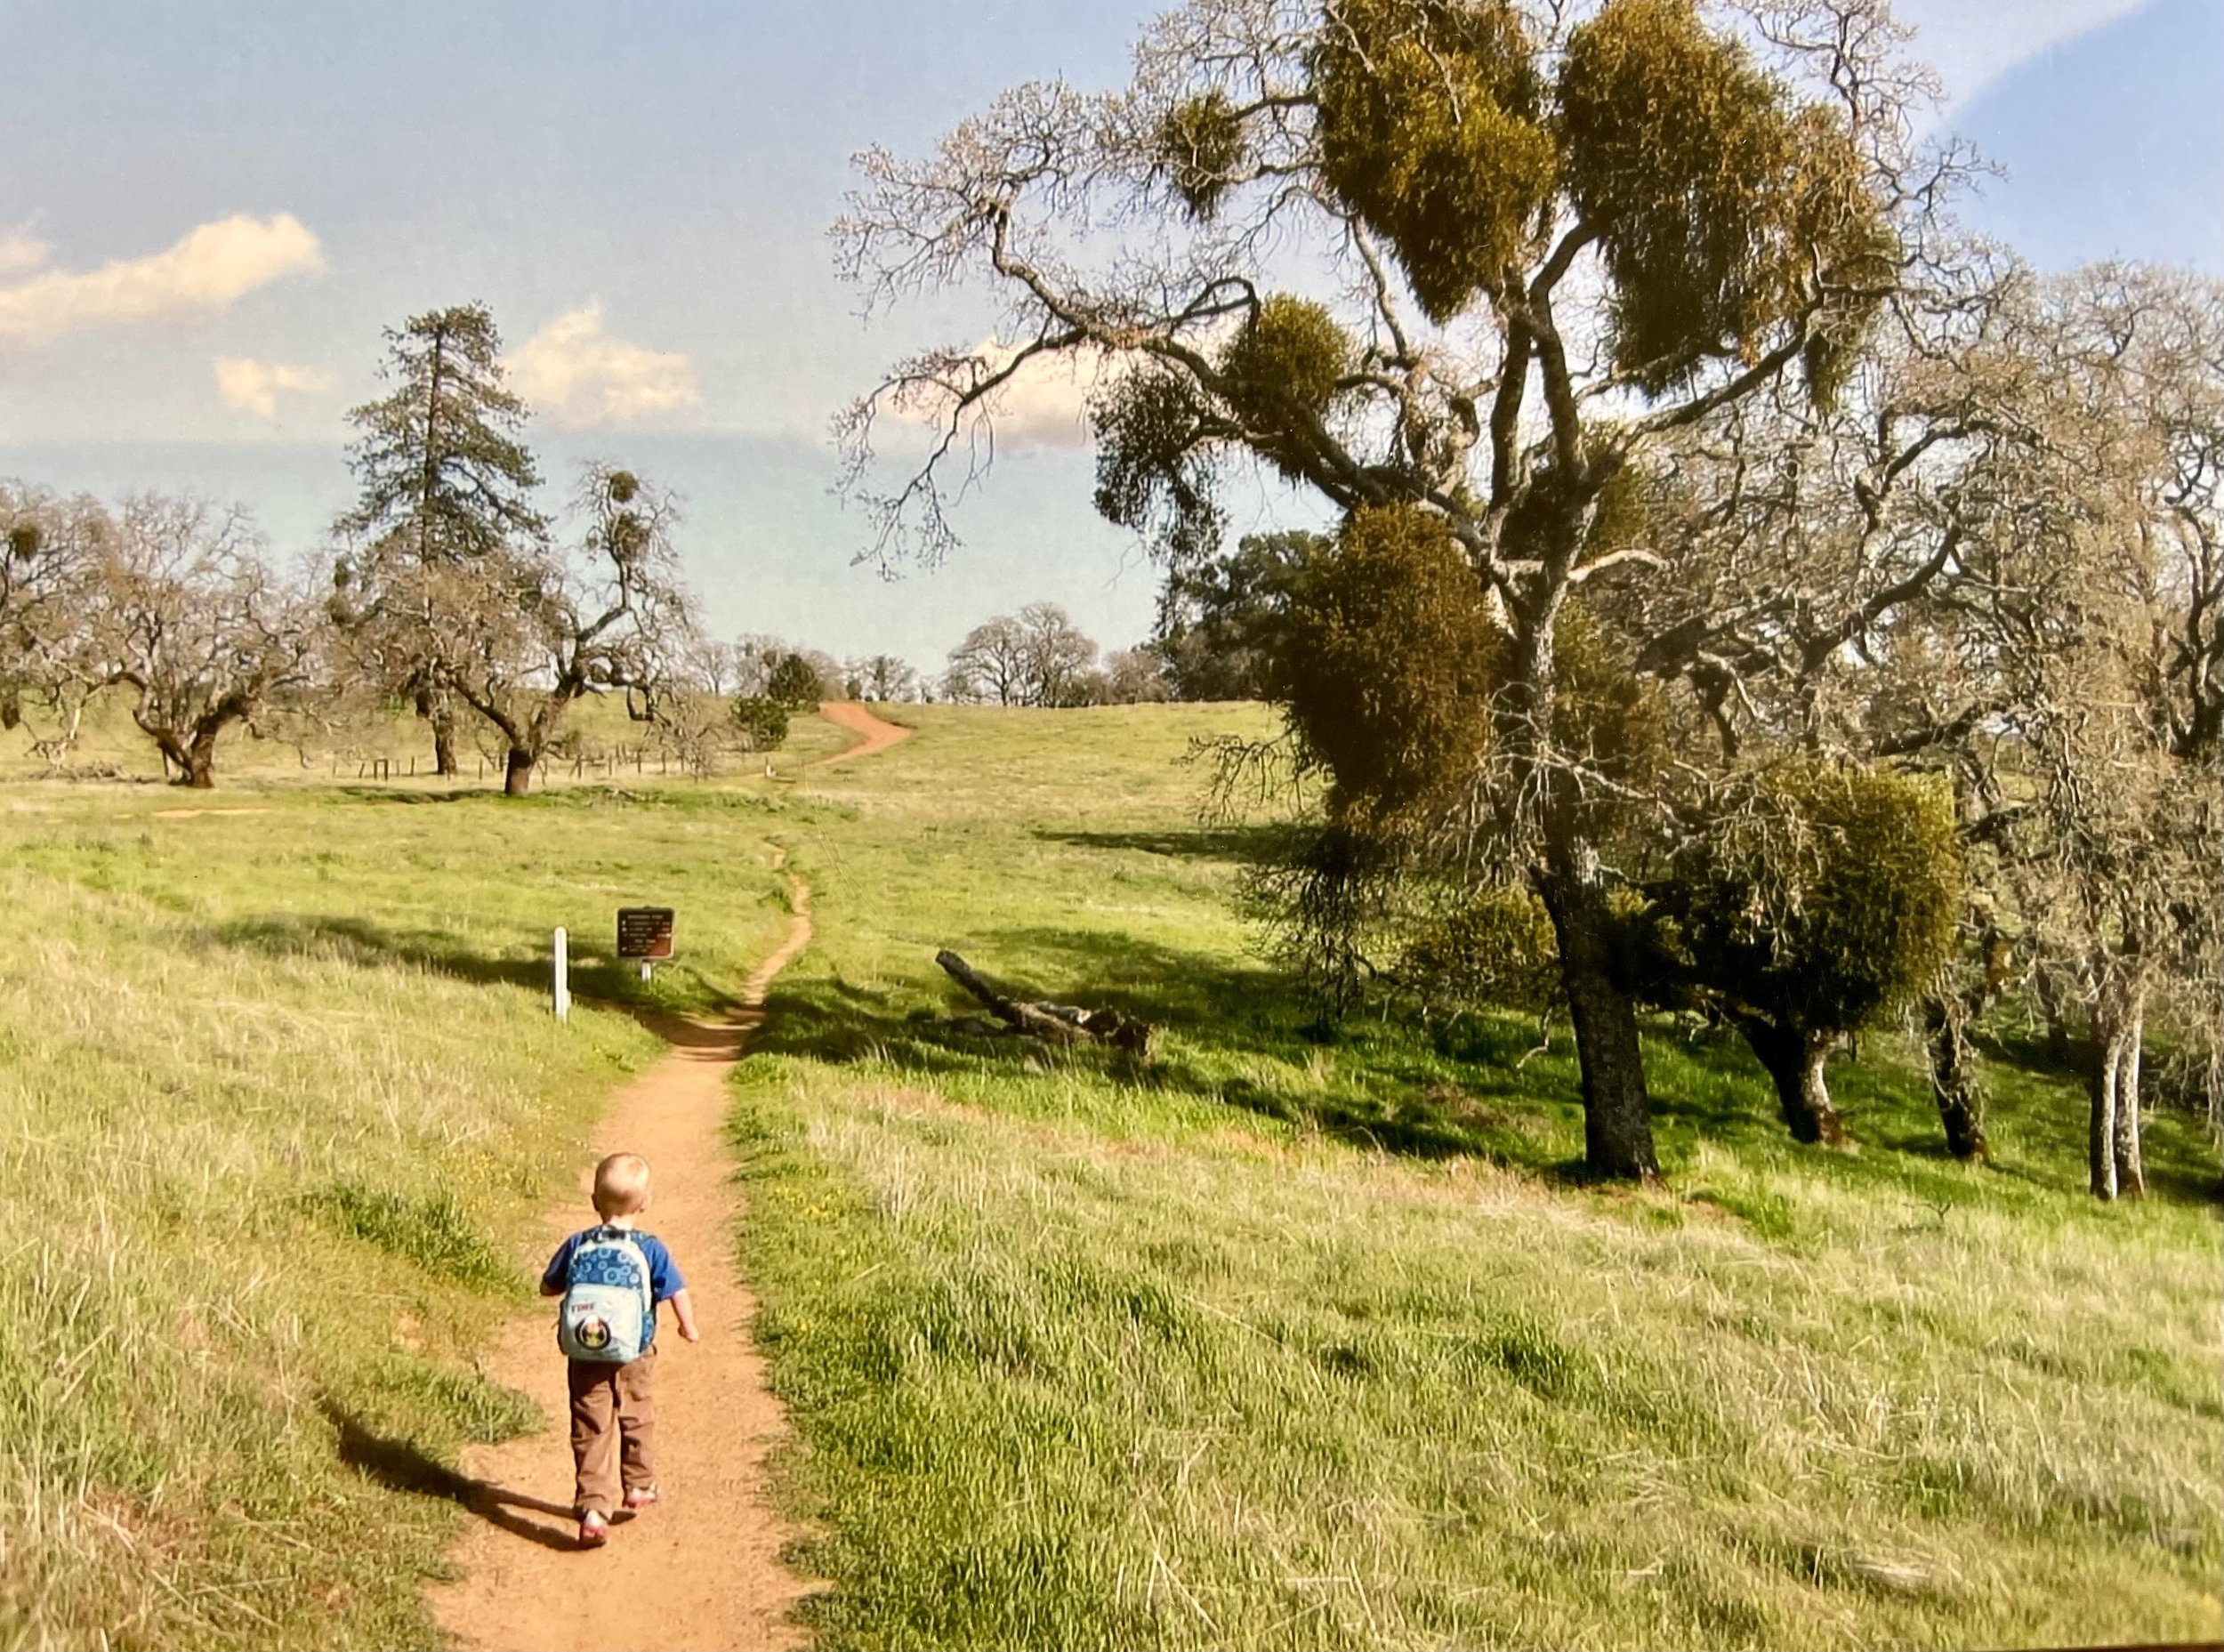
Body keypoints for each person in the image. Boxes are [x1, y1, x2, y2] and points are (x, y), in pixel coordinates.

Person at [540, 1151, 699, 1548]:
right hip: (634, 1352)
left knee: (590, 1427)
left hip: (585, 1353)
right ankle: (639, 1484)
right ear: (645, 1203)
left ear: (594, 1201)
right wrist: (688, 1327)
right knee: (636, 1414)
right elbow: (677, 1291)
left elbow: (548, 1286)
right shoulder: (650, 1248)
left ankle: (594, 1508)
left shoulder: (578, 1243)